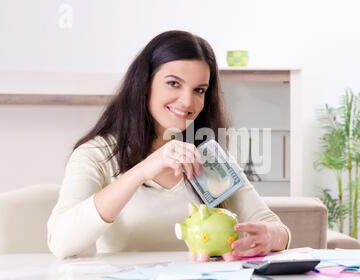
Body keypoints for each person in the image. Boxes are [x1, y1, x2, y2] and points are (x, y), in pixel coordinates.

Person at [47, 30, 291, 260]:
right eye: (174, 83)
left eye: (199, 90)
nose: (187, 101)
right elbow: (61, 243)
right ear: (145, 83)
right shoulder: (96, 155)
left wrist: (272, 236)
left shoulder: (208, 156)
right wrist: (142, 170)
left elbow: (273, 226)